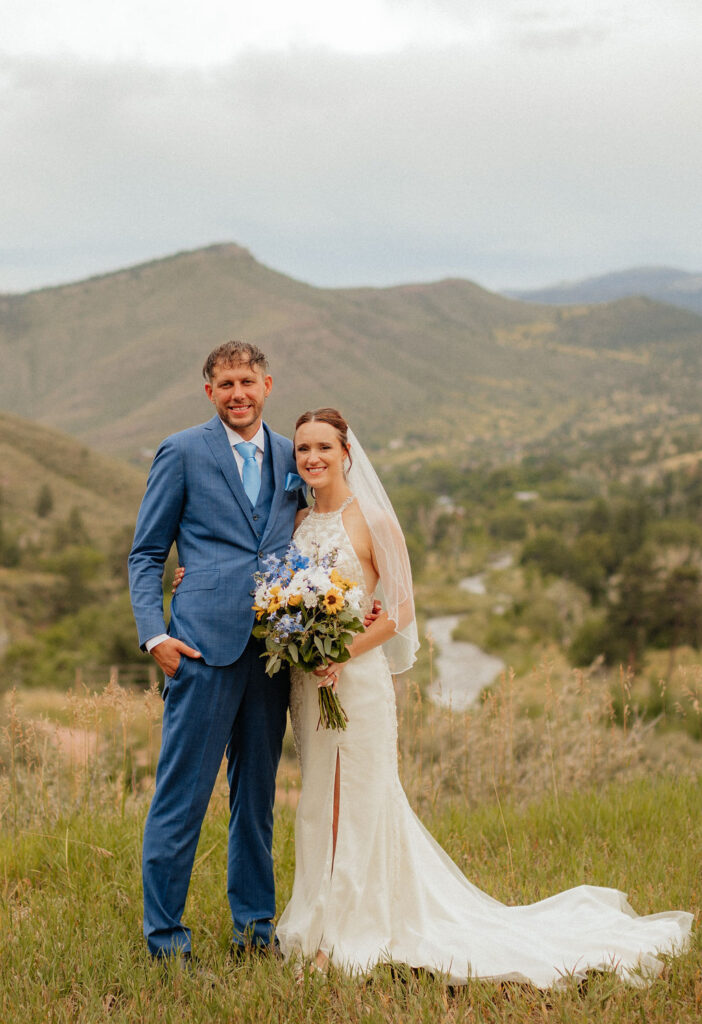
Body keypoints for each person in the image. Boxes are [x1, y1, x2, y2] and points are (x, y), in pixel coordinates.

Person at [273, 408, 692, 986]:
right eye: (302, 450)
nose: (312, 458)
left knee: (359, 800)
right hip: (308, 685)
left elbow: (401, 611)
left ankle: (341, 932)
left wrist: (339, 652)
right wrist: (299, 641)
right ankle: (320, 915)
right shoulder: (296, 522)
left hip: (355, 682)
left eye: (323, 446)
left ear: (347, 452)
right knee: (321, 799)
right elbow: (282, 595)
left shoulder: (373, 521)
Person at [128, 340, 304, 961]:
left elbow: (311, 541)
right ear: (209, 391)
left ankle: (254, 934)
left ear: (267, 385)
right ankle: (166, 943)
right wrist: (156, 636)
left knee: (255, 804)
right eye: (225, 383)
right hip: (199, 651)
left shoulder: (292, 455)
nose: (237, 393)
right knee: (182, 799)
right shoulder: (181, 451)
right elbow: (147, 554)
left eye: (247, 382)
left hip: (274, 656)